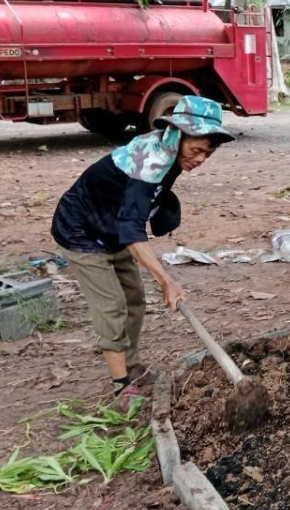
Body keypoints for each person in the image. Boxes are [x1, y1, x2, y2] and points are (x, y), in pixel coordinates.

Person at [51, 96, 234, 401]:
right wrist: (166, 280)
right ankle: (121, 387)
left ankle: (132, 367)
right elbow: (133, 232)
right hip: (81, 231)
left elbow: (133, 217)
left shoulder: (172, 154)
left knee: (134, 298)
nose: (201, 159)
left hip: (112, 225)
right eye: (197, 150)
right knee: (112, 305)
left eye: (208, 153)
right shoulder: (149, 164)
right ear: (177, 135)